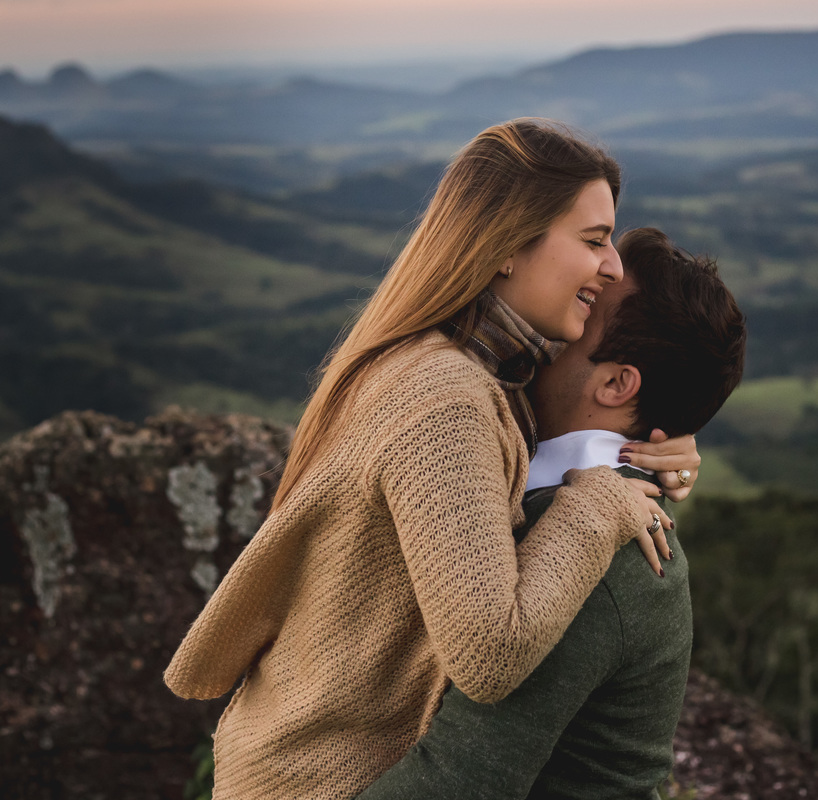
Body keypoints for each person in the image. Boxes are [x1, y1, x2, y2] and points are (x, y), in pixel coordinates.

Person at [162, 120, 701, 799]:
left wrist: (651, 452)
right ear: (508, 244)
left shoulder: (475, 375)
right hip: (316, 782)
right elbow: (490, 653)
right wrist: (596, 505)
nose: (613, 265)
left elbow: (546, 436)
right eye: (594, 240)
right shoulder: (446, 397)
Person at [356, 227, 747, 799]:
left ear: (616, 383)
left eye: (586, 307)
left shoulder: (596, 556)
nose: (559, 313)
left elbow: (453, 785)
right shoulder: (528, 464)